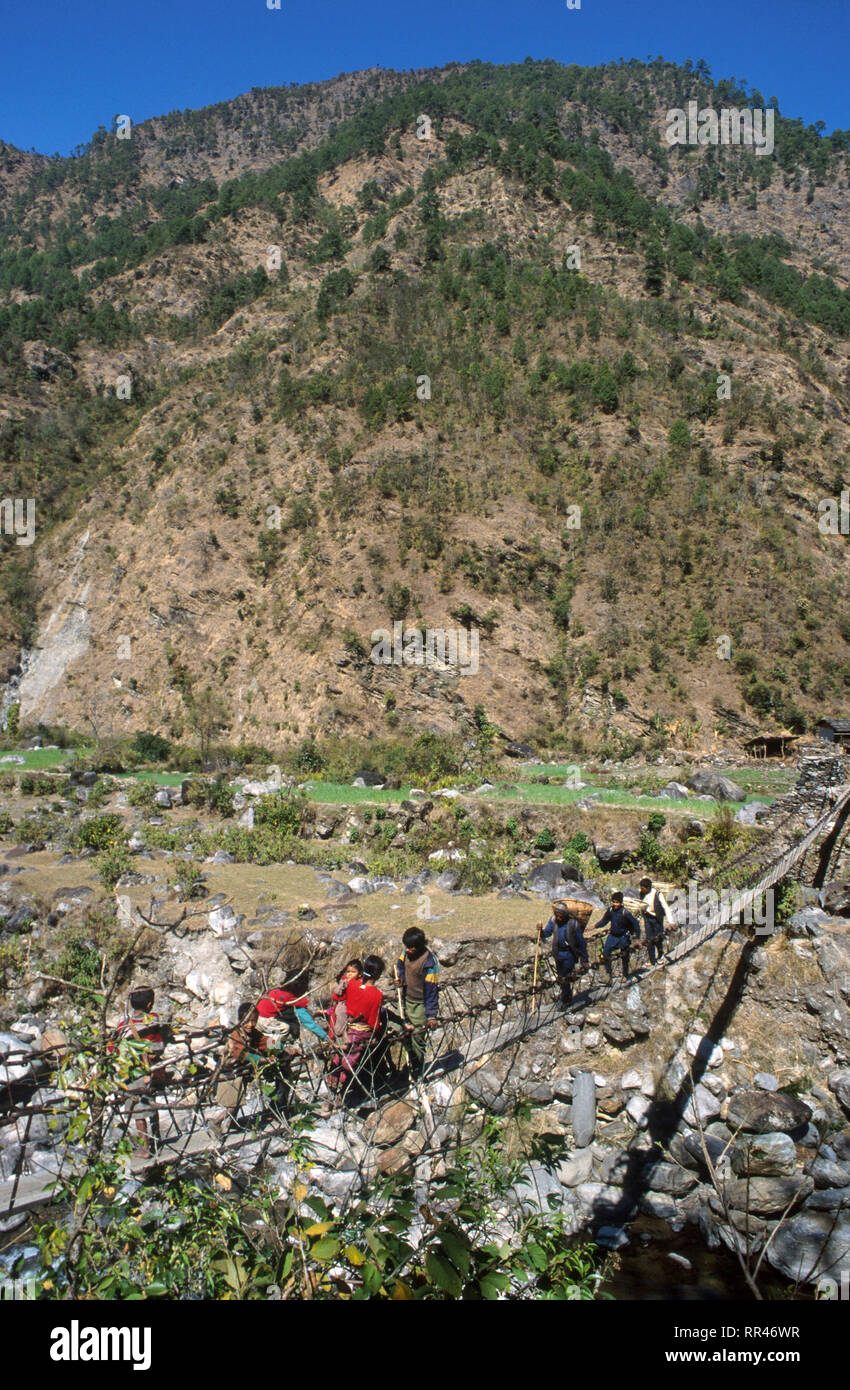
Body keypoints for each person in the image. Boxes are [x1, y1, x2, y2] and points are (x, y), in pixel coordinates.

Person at [108, 985, 165, 1159]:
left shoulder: (123, 1022)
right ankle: (154, 1141)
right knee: (149, 1103)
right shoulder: (152, 1020)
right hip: (147, 1068)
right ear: (149, 1004)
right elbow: (159, 1046)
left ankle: (145, 1148)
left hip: (129, 1070)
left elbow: (112, 1048)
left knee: (137, 1109)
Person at [331, 954, 385, 1098]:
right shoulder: (377, 995)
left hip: (345, 1030)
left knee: (340, 1053)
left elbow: (337, 997)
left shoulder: (352, 984)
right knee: (352, 1059)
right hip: (360, 1033)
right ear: (378, 974)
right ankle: (343, 1092)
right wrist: (378, 1033)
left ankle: (332, 1086)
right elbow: (373, 1022)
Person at [210, 1002, 269, 1135]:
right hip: (228, 1072)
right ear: (240, 1020)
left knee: (238, 1100)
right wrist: (261, 1059)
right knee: (233, 1103)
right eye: (247, 1021)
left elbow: (266, 1042)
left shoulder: (253, 1033)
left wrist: (282, 1048)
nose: (250, 1025)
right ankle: (216, 1121)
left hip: (239, 1072)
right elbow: (240, 1053)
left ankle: (228, 1126)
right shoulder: (235, 1034)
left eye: (254, 1021)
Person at [394, 928, 440, 1078]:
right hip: (406, 1000)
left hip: (420, 1005)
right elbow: (400, 965)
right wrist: (400, 978)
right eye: (406, 946)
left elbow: (432, 991)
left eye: (411, 947)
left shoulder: (429, 963)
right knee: (403, 1032)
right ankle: (410, 1063)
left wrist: (431, 1016)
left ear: (419, 946)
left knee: (418, 1037)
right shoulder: (406, 952)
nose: (407, 950)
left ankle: (418, 1070)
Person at [539, 902, 590, 1006]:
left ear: (565, 915)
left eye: (560, 916)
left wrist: (584, 959)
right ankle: (566, 996)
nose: (559, 918)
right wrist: (540, 931)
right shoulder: (553, 921)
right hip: (558, 954)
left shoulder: (573, 924)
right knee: (561, 976)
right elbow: (547, 933)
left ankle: (566, 999)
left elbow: (581, 942)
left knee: (564, 976)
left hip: (569, 954)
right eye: (557, 915)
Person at [257, 984, 328, 1045]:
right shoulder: (288, 997)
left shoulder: (275, 991)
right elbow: (304, 1005)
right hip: (264, 1020)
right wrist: (326, 1038)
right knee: (285, 1028)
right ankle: (271, 1046)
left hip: (257, 1016)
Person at [597, 891, 642, 981]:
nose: (615, 904)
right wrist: (594, 926)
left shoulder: (625, 913)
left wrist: (637, 938)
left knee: (624, 956)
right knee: (605, 953)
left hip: (623, 937)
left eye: (617, 902)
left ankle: (625, 974)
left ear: (621, 903)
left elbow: (636, 924)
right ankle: (608, 975)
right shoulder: (610, 910)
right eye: (613, 902)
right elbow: (604, 921)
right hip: (612, 936)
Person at [639, 877, 675, 965]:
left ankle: (660, 955)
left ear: (648, 888)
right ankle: (652, 960)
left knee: (658, 938)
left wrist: (671, 921)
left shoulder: (658, 894)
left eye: (643, 888)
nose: (641, 890)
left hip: (656, 918)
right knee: (649, 939)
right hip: (647, 918)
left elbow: (666, 907)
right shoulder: (642, 894)